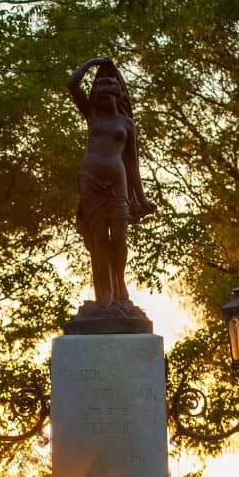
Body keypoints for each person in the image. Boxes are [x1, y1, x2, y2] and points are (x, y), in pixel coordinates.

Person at [67, 57, 156, 306]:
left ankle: (119, 283)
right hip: (90, 179)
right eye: (100, 93)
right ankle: (105, 296)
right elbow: (72, 84)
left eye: (110, 92)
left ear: (117, 95)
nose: (104, 97)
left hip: (118, 184)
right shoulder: (92, 116)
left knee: (118, 239)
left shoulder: (126, 123)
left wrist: (141, 196)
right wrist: (93, 63)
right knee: (98, 238)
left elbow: (132, 163)